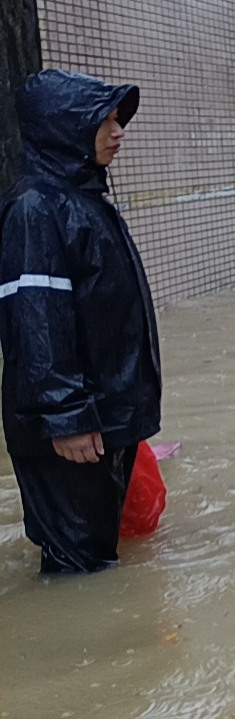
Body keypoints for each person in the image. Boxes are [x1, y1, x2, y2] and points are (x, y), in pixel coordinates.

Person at [1, 70, 162, 574]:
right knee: (79, 568)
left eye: (119, 120)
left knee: (99, 556)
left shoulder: (85, 203)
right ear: (65, 127)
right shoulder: (36, 209)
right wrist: (66, 417)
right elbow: (37, 326)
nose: (119, 132)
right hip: (71, 432)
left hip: (102, 422)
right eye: (105, 121)